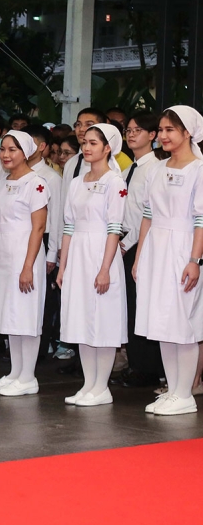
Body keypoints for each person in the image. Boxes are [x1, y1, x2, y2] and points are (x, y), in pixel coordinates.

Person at [134, 106, 203, 416]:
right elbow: (148, 215)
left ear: (187, 132)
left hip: (182, 248)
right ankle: (173, 390)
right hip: (155, 248)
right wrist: (139, 257)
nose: (162, 135)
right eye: (160, 130)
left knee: (182, 321)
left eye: (169, 130)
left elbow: (201, 219)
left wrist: (194, 260)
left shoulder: (199, 170)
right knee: (161, 322)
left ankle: (185, 393)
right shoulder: (158, 169)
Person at [57, 124, 128, 406]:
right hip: (78, 255)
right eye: (85, 142)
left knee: (104, 319)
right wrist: (63, 266)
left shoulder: (115, 182)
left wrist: (105, 268)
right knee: (81, 318)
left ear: (107, 148)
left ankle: (102, 387)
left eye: (94, 143)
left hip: (101, 252)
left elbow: (114, 228)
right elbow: (68, 226)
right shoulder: (76, 182)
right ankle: (89, 384)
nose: (87, 148)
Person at [0, 130, 49, 396]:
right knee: (8, 314)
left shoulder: (36, 183)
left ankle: (28, 377)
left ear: (25, 152)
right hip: (3, 255)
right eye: (3, 149)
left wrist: (27, 266)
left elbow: (38, 228)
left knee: (26, 315)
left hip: (26, 253)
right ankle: (14, 372)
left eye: (12, 150)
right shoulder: (2, 182)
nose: (6, 155)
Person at [117, 112, 162, 388]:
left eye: (138, 130)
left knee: (141, 306)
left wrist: (127, 243)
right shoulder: (126, 170)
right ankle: (137, 364)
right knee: (129, 307)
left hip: (141, 245)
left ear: (153, 135)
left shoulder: (155, 168)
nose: (131, 134)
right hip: (123, 244)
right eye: (128, 130)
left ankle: (148, 367)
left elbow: (148, 213)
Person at [22, 125, 63, 356]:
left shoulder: (51, 177)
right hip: (21, 238)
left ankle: (40, 347)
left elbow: (56, 217)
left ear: (42, 147)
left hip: (44, 238)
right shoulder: (16, 174)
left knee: (42, 299)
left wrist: (52, 253)